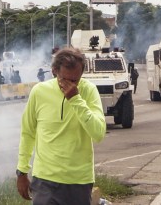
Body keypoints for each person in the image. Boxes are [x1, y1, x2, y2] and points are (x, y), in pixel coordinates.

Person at [16, 47, 106, 205]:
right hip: (45, 180)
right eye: (65, 79)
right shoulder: (39, 92)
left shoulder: (89, 90)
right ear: (54, 71)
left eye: (76, 80)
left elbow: (98, 133)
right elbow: (28, 133)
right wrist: (22, 171)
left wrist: (76, 99)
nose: (72, 84)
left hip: (79, 181)